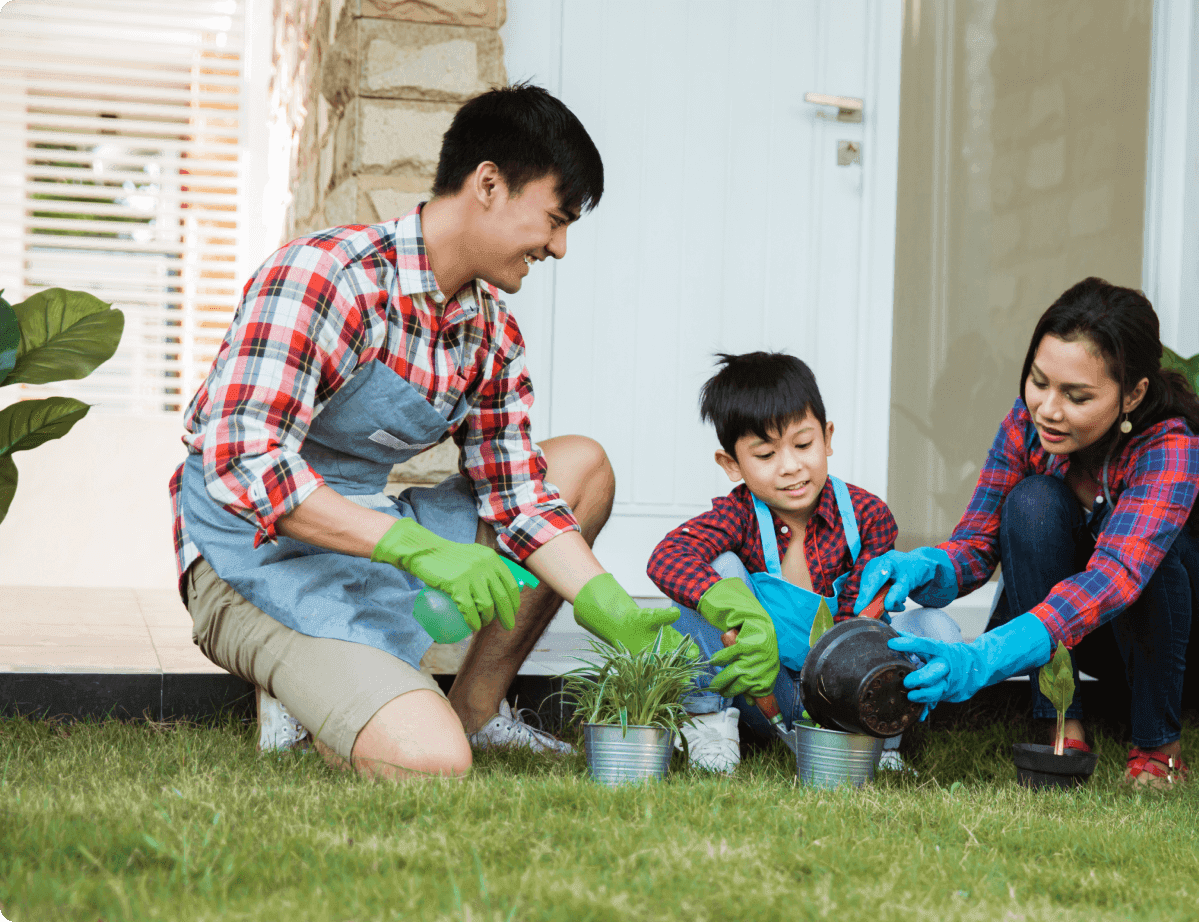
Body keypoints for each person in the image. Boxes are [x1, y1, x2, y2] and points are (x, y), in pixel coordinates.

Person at [169, 84, 683, 780]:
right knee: (429, 761)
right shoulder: (327, 277)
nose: (559, 248)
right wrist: (415, 548)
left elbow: (521, 497)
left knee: (579, 467)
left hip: (369, 537)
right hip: (249, 556)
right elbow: (243, 463)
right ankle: (315, 684)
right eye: (555, 220)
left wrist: (603, 600)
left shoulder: (491, 333)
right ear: (490, 185)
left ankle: (473, 713)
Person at [858, 278, 1199, 787]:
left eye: (1076, 395)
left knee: (1154, 549)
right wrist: (921, 569)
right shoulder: (1029, 425)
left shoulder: (1168, 446)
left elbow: (1117, 577)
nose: (1048, 408)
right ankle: (1062, 728)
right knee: (1031, 503)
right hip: (1111, 639)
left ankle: (1158, 748)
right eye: (1039, 382)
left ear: (1133, 394)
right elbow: (977, 545)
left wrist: (984, 657)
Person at [646, 352, 961, 772]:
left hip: (850, 692)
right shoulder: (737, 516)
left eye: (803, 444)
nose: (791, 466)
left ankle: (879, 740)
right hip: (765, 689)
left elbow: (864, 622)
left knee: (937, 628)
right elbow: (668, 557)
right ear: (731, 464)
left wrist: (852, 693)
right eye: (765, 455)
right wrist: (734, 610)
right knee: (712, 570)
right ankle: (710, 724)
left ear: (827, 437)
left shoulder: (868, 516)